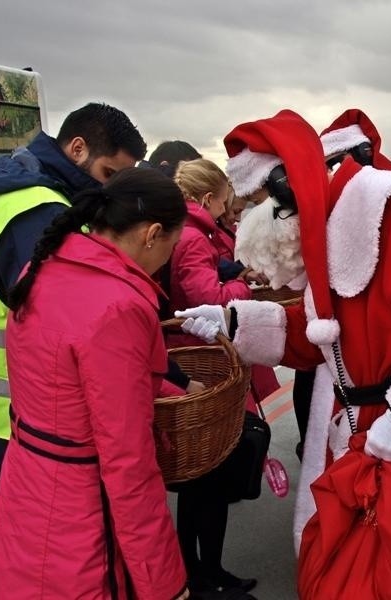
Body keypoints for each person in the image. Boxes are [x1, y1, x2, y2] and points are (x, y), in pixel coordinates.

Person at [179, 109, 391, 564]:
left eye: (251, 203)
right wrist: (232, 322)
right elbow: (326, 336)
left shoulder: (382, 211)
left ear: (284, 187)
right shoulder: (322, 224)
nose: (243, 221)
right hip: (358, 425)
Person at [0, 168, 189, 599]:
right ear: (153, 234)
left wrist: (173, 391)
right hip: (79, 514)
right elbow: (129, 464)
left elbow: (74, 381)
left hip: (26, 483)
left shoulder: (44, 266)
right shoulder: (118, 305)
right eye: (172, 245)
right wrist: (166, 585)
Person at [0, 102, 147, 593]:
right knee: (33, 567)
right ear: (76, 148)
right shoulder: (41, 214)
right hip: (12, 424)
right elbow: (62, 330)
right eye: (106, 173)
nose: (107, 189)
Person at [170, 158, 273, 598]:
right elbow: (207, 299)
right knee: (209, 479)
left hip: (197, 360)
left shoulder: (192, 232)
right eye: (226, 202)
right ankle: (204, 574)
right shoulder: (194, 237)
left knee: (201, 483)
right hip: (206, 364)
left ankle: (200, 571)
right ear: (209, 198)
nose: (229, 211)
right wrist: (245, 289)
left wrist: (232, 272)